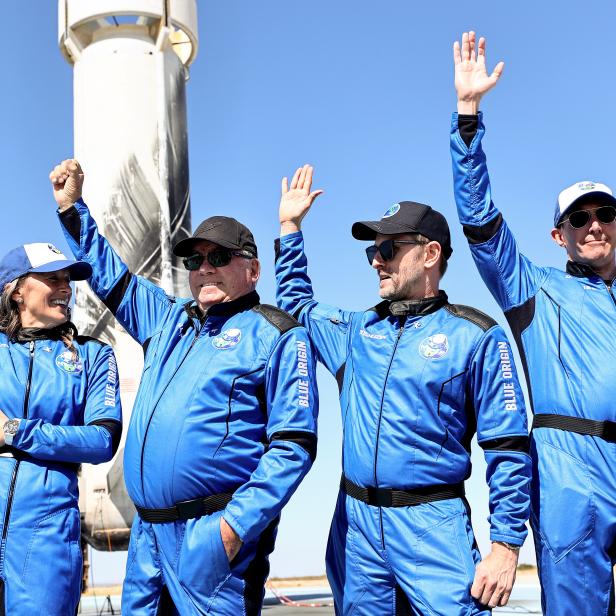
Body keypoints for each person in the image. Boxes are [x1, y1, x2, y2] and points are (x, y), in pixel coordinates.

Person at [49, 159, 319, 615]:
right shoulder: (168, 319)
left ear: (253, 271)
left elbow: (293, 446)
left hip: (212, 540)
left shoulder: (277, 334)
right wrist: (74, 209)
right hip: (147, 539)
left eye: (219, 257)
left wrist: (233, 530)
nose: (204, 269)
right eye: (195, 260)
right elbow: (112, 276)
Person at [275, 165, 532, 615]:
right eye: (373, 251)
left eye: (389, 248)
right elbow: (298, 306)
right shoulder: (355, 333)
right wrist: (290, 228)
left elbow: (508, 448)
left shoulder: (476, 336)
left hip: (432, 526)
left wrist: (506, 546)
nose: (377, 260)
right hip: (356, 532)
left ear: (431, 253)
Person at [451, 31, 616, 616]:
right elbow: (479, 222)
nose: (594, 226)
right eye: (579, 219)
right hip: (572, 475)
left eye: (604, 214)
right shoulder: (534, 290)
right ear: (559, 235)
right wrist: (468, 118)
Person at [0, 242, 122, 615]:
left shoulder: (93, 354)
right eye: (53, 278)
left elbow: (102, 439)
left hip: (46, 533)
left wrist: (16, 432)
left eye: (68, 279)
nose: (66, 287)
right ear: (17, 290)